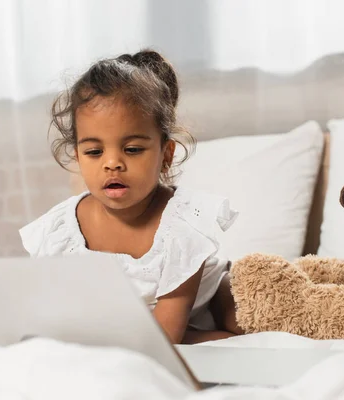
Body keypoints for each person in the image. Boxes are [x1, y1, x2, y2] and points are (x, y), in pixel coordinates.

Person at [19, 49, 243, 344]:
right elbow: (57, 311)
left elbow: (167, 334)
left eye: (133, 149)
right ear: (77, 155)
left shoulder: (183, 225)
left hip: (195, 311)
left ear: (166, 154)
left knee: (244, 311)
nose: (112, 163)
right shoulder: (61, 230)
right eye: (94, 152)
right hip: (133, 327)